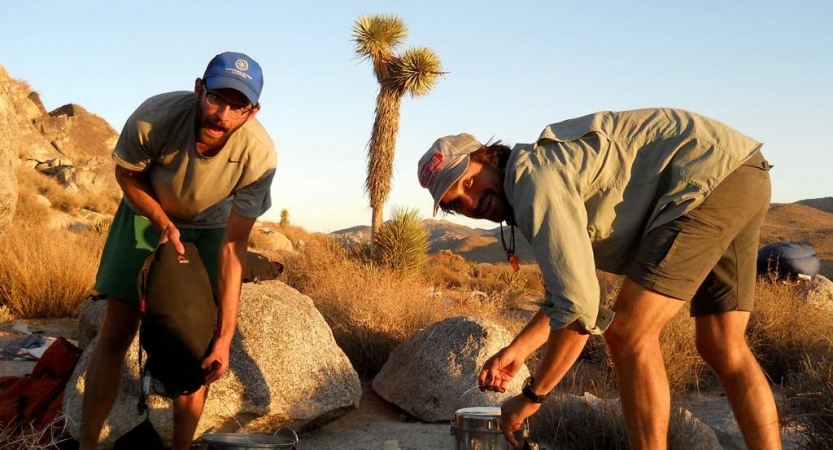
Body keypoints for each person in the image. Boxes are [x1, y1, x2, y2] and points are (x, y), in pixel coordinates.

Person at [417, 108, 781, 450]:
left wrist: (531, 398)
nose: (470, 199)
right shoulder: (534, 177)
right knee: (722, 344)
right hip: (741, 169)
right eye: (457, 201)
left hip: (704, 178)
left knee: (629, 333)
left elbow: (578, 312)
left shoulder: (532, 182)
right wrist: (518, 350)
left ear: (491, 158)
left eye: (468, 181)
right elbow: (568, 292)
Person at [79, 51, 277, 450]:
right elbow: (126, 174)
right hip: (144, 215)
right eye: (216, 98)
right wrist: (160, 220)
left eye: (237, 106)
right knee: (116, 333)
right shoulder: (156, 117)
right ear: (199, 89)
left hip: (210, 229)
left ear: (252, 112)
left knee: (195, 348)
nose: (222, 113)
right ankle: (86, 445)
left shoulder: (259, 155)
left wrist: (225, 337)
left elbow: (235, 247)